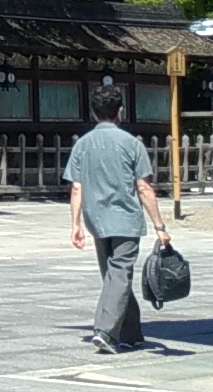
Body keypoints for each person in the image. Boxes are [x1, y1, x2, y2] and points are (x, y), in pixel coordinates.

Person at [65, 83, 170, 353]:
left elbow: (77, 187)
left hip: (96, 219)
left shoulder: (82, 145)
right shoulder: (131, 144)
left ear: (93, 112)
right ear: (120, 111)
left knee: (114, 276)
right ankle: (105, 331)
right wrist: (160, 226)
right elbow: (144, 188)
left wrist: (75, 224)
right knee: (119, 275)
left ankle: (131, 332)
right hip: (125, 218)